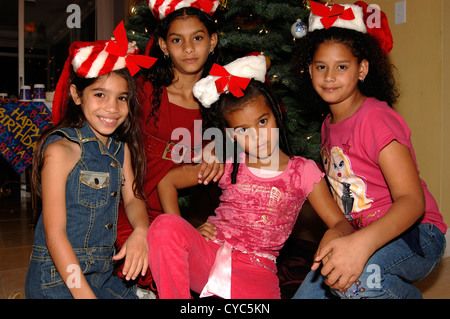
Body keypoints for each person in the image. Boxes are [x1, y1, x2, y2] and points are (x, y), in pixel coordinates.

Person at [146, 55, 354, 299]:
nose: (257, 136)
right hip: (209, 255)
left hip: (257, 271)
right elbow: (167, 181)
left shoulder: (303, 172)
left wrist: (335, 233)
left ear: (277, 115)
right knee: (164, 226)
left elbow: (341, 223)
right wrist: (187, 228)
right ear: (231, 135)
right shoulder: (227, 161)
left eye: (263, 121)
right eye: (244, 130)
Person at [292, 1, 447, 299]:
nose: (329, 76)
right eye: (320, 66)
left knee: (354, 280)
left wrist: (361, 245)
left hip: (418, 234)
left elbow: (412, 201)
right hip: (363, 235)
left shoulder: (376, 118)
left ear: (362, 69)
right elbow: (346, 204)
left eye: (342, 67)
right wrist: (339, 232)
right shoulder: (327, 126)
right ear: (308, 69)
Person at [25, 23, 156, 299]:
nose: (113, 108)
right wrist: (85, 296)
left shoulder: (121, 150)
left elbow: (132, 199)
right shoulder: (61, 151)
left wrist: (142, 231)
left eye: (121, 98)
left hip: (102, 275)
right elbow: (55, 233)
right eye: (100, 95)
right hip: (58, 277)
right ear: (76, 95)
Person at [115, 0, 224, 289]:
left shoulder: (222, 103)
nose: (188, 48)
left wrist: (221, 146)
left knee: (188, 265)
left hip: (170, 211)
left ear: (212, 41)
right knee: (138, 263)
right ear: (164, 46)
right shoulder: (144, 88)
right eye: (177, 40)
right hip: (128, 201)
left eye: (197, 38)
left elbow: (259, 136)